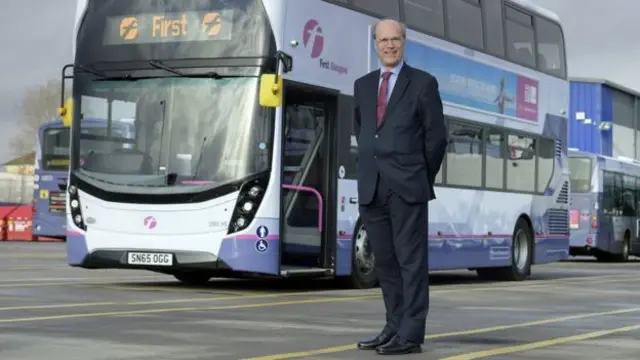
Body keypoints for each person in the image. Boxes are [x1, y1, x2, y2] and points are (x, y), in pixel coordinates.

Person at [352, 18, 447, 355]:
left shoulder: (422, 83)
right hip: (372, 187)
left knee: (411, 263)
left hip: (407, 188)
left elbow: (436, 138)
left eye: (395, 40)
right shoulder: (362, 86)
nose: (389, 46)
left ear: (404, 42)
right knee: (387, 264)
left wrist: (419, 176)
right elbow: (364, 131)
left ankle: (411, 334)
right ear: (375, 44)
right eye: (383, 40)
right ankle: (393, 327)